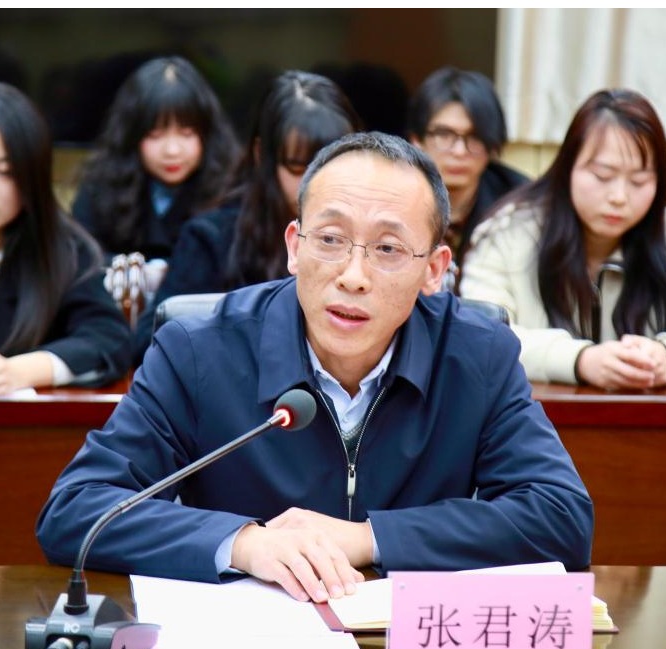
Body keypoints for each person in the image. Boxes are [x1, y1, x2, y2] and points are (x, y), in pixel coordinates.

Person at [36, 131, 594, 605]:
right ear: (294, 247)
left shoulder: (477, 354)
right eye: (330, 239)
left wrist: (369, 539)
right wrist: (245, 543)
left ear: (434, 270)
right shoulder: (199, 350)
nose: (353, 276)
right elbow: (77, 510)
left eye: (388, 249)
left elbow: (561, 517)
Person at [460, 88, 666, 390]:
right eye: (603, 176)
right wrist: (579, 360)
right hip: (533, 416)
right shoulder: (507, 234)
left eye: (639, 180)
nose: (619, 197)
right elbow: (478, 337)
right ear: (568, 168)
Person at [130, 69, 363, 365]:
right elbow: (152, 342)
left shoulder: (374, 237)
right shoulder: (212, 239)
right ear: (261, 154)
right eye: (297, 167)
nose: (317, 183)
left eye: (332, 166)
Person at [0, 82, 131, 395]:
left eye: (6, 172)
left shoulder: (66, 252)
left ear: (33, 177)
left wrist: (22, 370)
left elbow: (109, 340)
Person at [71, 55, 240, 262]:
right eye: (155, 135)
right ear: (132, 135)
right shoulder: (99, 186)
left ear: (207, 135)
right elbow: (82, 259)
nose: (172, 150)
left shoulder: (232, 190)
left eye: (186, 134)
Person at [407, 67, 529, 292]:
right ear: (417, 140)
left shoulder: (519, 205)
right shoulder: (394, 196)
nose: (460, 151)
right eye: (444, 134)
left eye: (474, 137)